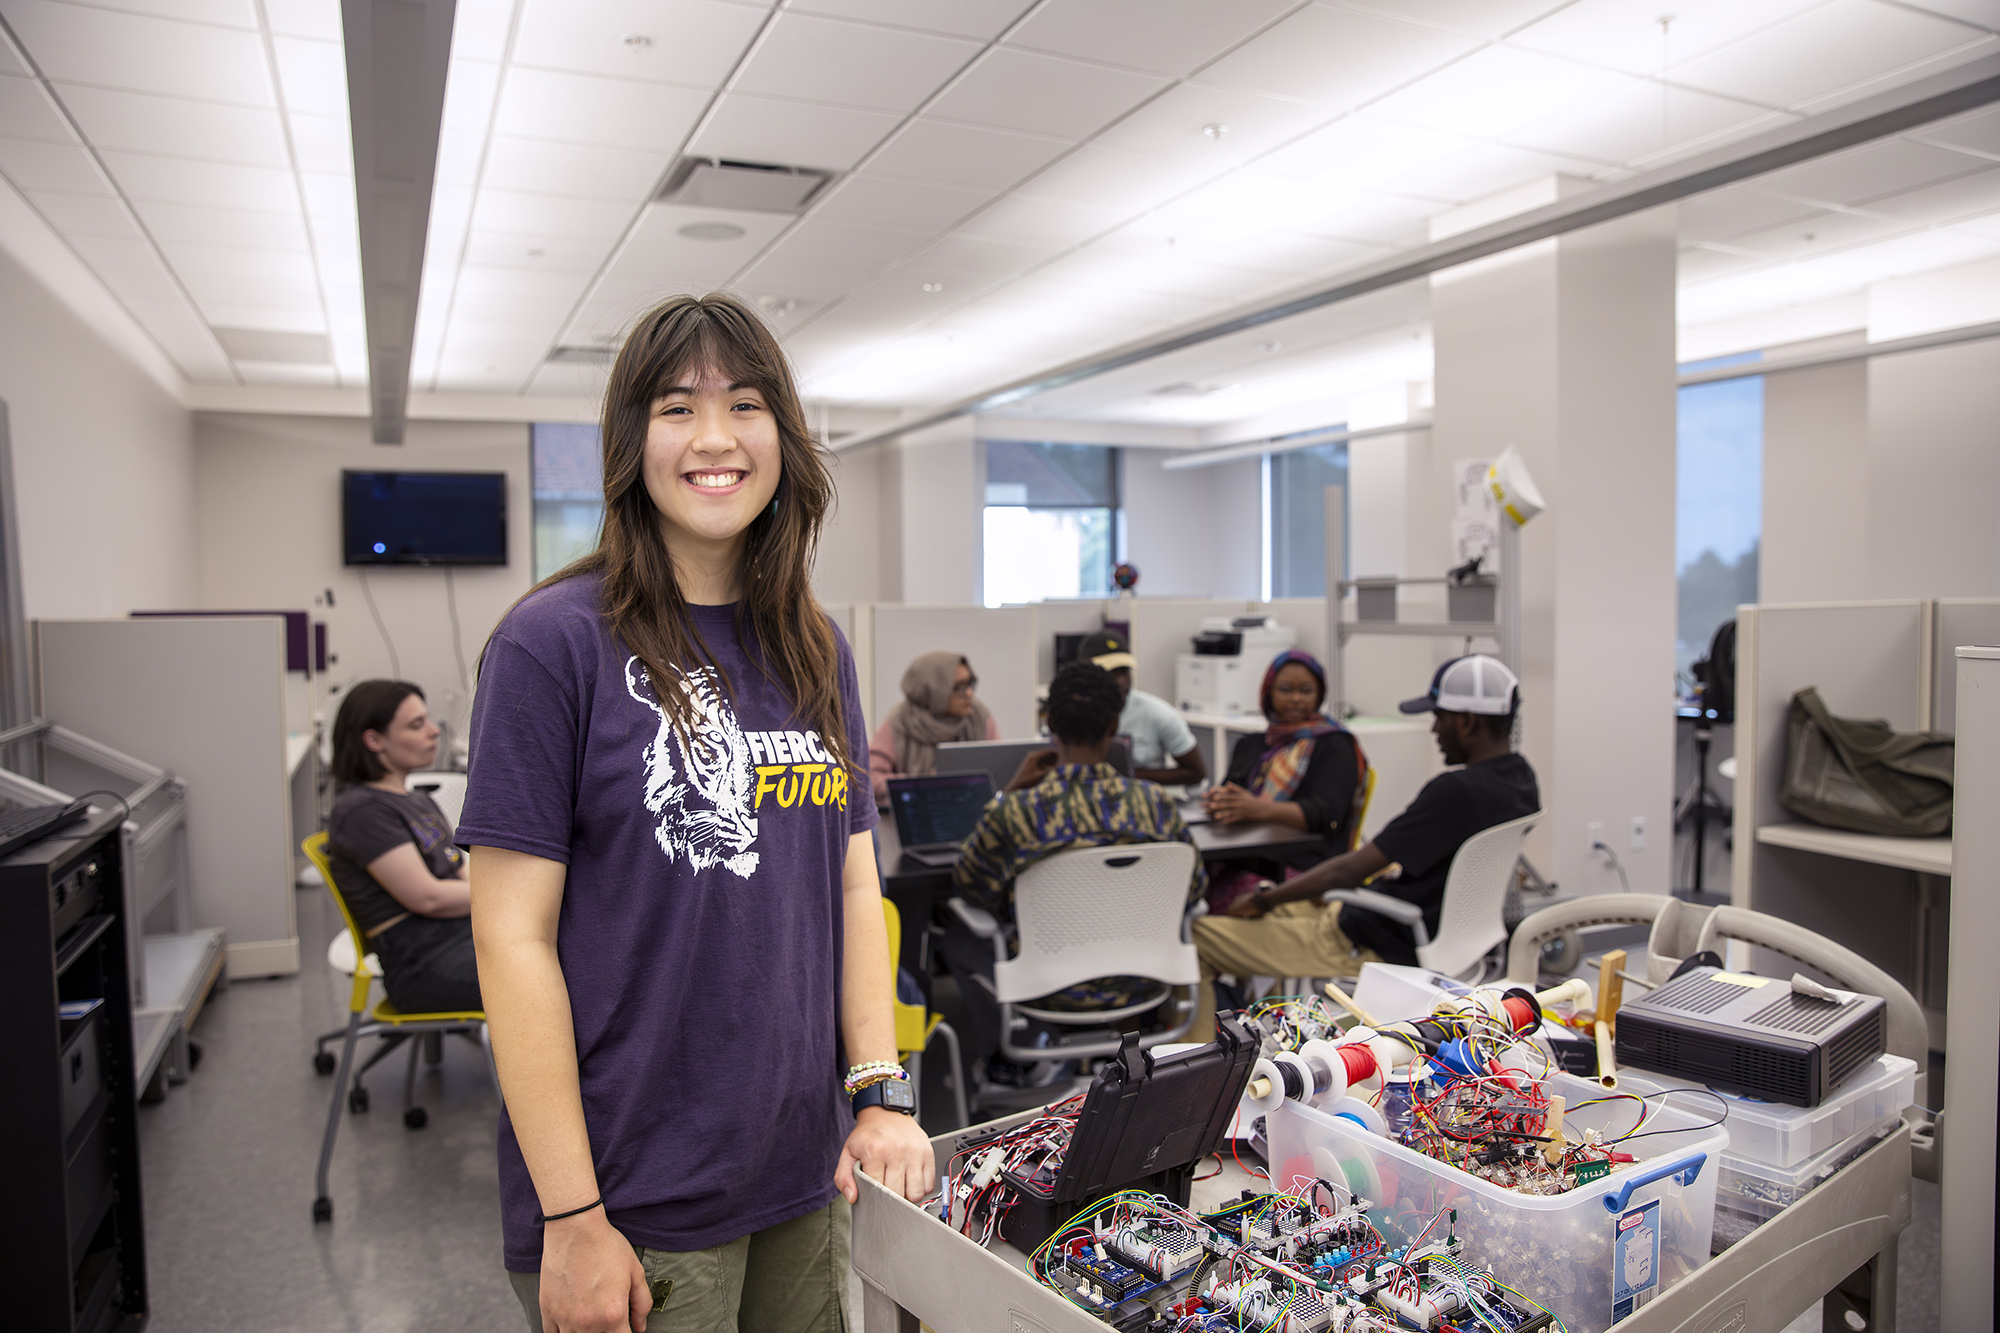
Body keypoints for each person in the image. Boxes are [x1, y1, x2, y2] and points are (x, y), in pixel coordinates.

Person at [459, 292, 933, 1333]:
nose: (714, 438)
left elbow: (851, 882)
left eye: (746, 405)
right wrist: (574, 1214)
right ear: (632, 442)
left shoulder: (813, 644)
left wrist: (876, 1089)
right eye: (677, 407)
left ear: (783, 438)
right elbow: (509, 940)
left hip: (802, 1169)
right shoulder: (553, 644)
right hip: (634, 1191)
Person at [1191, 655, 1538, 1035]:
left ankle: (1200, 1081)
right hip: (1423, 930)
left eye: (1438, 716)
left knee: (1197, 940)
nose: (1435, 729)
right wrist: (1271, 899)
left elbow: (1350, 868)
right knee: (1265, 908)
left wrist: (1262, 900)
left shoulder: (1455, 792)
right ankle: (1256, 1034)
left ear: (1467, 720)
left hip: (1369, 940)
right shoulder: (1522, 782)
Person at [938, 661, 1207, 1093]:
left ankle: (1016, 1062)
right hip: (1143, 982)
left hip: (1048, 988)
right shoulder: (1155, 803)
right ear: (1115, 725)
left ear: (1049, 724)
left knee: (957, 938)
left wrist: (1011, 790)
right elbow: (1194, 891)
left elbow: (970, 886)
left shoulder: (1018, 810)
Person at [324, 680, 478, 1014]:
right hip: (422, 964)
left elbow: (459, 868)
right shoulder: (362, 813)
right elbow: (428, 898)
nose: (433, 732)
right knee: (551, 974)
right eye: (416, 725)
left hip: (455, 939)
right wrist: (508, 897)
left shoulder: (417, 801)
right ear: (374, 740)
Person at [1202, 650, 1366, 909]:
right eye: (1286, 689)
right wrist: (1219, 800)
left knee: (1221, 899)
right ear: (1269, 692)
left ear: (1319, 695)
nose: (1296, 699)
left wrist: (1260, 809)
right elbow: (1231, 792)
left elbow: (1326, 815)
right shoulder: (1251, 745)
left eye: (1306, 691)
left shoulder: (1335, 744)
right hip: (1245, 853)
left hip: (1305, 866)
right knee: (1185, 881)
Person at [1078, 627, 1207, 787]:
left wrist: (1127, 775)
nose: (1120, 681)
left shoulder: (1159, 714)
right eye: (1110, 672)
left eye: (1124, 671)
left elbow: (1196, 772)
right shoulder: (1072, 713)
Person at [867, 651, 1002, 804]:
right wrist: (924, 784)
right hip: (916, 816)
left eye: (970, 684)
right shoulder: (901, 721)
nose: (969, 693)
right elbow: (869, 779)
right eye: (959, 687)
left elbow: (1000, 770)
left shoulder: (978, 717)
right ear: (933, 690)